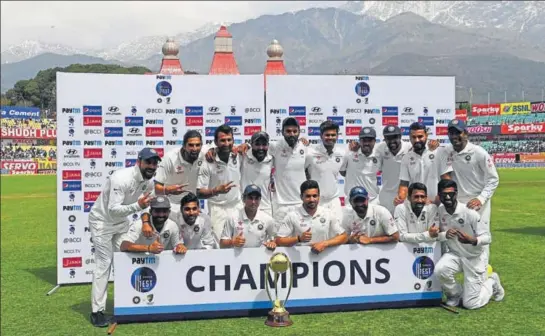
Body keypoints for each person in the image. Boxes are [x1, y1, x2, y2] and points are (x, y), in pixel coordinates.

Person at [88, 148, 159, 328]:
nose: (152, 166)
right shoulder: (121, 178)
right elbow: (113, 208)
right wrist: (137, 205)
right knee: (104, 264)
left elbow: (145, 205)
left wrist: (145, 221)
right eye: (148, 162)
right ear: (139, 161)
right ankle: (97, 312)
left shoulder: (149, 181)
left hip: (121, 223)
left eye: (154, 162)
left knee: (127, 257)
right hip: (102, 222)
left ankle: (128, 304)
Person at [435, 179, 504, 309]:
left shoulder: (469, 212)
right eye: (444, 194)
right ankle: (455, 294)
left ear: (456, 193)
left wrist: (472, 240)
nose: (448, 197)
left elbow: (487, 237)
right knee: (440, 270)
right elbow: (434, 235)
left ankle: (491, 282)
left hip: (474, 258)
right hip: (455, 255)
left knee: (470, 304)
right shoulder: (439, 211)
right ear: (439, 196)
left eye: (451, 194)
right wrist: (444, 235)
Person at [438, 119, 499, 231]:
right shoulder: (446, 151)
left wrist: (481, 198)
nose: (454, 136)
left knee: (479, 237)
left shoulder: (478, 152)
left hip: (477, 201)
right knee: (458, 237)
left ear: (466, 133)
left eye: (458, 133)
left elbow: (493, 179)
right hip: (457, 202)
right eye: (451, 133)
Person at [276, 180, 347, 253]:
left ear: (319, 196)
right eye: (308, 196)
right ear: (301, 197)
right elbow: (279, 240)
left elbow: (343, 237)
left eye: (315, 196)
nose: (312, 199)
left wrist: (324, 243)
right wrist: (298, 239)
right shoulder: (292, 215)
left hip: (324, 258)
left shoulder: (328, 213)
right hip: (301, 261)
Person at [196, 124, 242, 239]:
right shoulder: (207, 162)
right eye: (222, 140)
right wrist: (216, 191)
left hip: (237, 206)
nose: (226, 144)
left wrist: (247, 144)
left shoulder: (238, 155)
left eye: (229, 140)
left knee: (240, 242)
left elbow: (255, 147)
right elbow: (198, 193)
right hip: (217, 209)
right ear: (215, 142)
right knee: (220, 245)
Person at [152, 130, 208, 221]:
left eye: (198, 145)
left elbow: (223, 146)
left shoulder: (204, 153)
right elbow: (157, 188)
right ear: (184, 145)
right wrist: (168, 190)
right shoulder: (170, 158)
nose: (194, 148)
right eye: (190, 145)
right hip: (172, 205)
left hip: (192, 206)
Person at [395, 122, 452, 206]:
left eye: (420, 136)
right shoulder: (406, 158)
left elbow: (446, 180)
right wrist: (400, 198)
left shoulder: (439, 152)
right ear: (409, 138)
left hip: (437, 203)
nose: (417, 140)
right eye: (413, 137)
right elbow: (404, 184)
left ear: (426, 135)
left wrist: (440, 198)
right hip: (416, 204)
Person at [305, 120, 345, 220]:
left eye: (333, 135)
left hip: (334, 199)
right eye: (327, 135)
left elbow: (345, 172)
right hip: (317, 201)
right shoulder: (310, 153)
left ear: (337, 136)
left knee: (338, 232)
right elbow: (301, 172)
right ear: (321, 136)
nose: (330, 138)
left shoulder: (342, 153)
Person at [120, 196, 186, 254]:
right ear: (151, 211)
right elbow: (123, 246)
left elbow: (177, 245)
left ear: (169, 212)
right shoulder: (139, 224)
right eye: (157, 211)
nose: (161, 215)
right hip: (140, 262)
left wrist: (180, 247)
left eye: (164, 211)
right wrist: (148, 248)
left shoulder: (172, 225)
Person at [220, 184, 277, 249]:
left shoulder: (268, 219)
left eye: (256, 198)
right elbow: (222, 244)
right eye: (250, 198)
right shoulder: (232, 217)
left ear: (260, 200)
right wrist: (233, 242)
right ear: (244, 199)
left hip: (259, 256)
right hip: (237, 257)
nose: (253, 202)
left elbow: (274, 239)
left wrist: (272, 243)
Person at [375, 125, 413, 215]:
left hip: (405, 194)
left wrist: (434, 146)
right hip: (386, 195)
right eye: (388, 138)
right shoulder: (380, 148)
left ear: (400, 137)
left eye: (394, 137)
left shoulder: (410, 147)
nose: (392, 141)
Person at [340, 127, 381, 204]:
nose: (366, 143)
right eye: (363, 140)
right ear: (359, 140)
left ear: (375, 141)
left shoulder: (379, 156)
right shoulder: (350, 153)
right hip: (352, 200)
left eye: (370, 140)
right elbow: (342, 172)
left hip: (372, 201)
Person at [239, 132, 274, 217]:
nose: (261, 148)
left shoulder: (272, 159)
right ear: (251, 145)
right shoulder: (243, 156)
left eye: (264, 144)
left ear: (268, 145)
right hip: (244, 206)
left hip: (266, 208)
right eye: (257, 144)